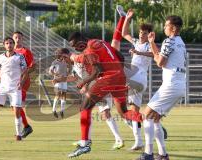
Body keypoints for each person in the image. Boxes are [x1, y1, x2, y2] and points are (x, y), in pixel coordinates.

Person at [67, 5, 141, 158]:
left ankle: (85, 143)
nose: (76, 48)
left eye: (75, 45)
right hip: (120, 77)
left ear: (81, 40)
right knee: (125, 112)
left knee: (85, 107)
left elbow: (97, 71)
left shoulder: (89, 49)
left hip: (109, 78)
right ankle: (149, 120)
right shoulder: (99, 42)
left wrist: (83, 82)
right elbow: (118, 53)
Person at [136, 15, 186, 160]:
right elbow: (161, 57)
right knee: (155, 119)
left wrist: (151, 43)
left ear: (174, 28)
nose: (164, 28)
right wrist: (152, 42)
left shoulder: (169, 41)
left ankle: (148, 154)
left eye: (166, 25)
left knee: (146, 115)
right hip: (179, 83)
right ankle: (163, 155)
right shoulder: (181, 42)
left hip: (171, 83)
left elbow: (160, 62)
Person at [122, 9, 153, 151]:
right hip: (135, 81)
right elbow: (124, 34)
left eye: (145, 33)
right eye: (141, 32)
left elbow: (154, 53)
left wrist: (138, 52)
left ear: (149, 35)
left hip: (139, 78)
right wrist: (127, 18)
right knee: (133, 112)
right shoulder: (136, 41)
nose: (141, 35)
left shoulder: (148, 44)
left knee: (117, 66)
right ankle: (139, 141)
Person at [13, 31, 35, 138]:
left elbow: (33, 66)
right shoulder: (10, 51)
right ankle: (26, 127)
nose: (18, 39)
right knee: (14, 106)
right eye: (16, 37)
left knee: (16, 105)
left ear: (22, 39)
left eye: (19, 38)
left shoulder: (25, 51)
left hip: (23, 81)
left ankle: (26, 127)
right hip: (12, 81)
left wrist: (23, 75)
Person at [49, 48, 70, 118]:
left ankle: (62, 111)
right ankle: (54, 110)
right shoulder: (54, 62)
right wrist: (56, 74)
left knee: (64, 95)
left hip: (64, 80)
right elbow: (50, 71)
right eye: (59, 54)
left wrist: (67, 73)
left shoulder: (66, 62)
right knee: (58, 95)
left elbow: (68, 70)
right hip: (57, 80)